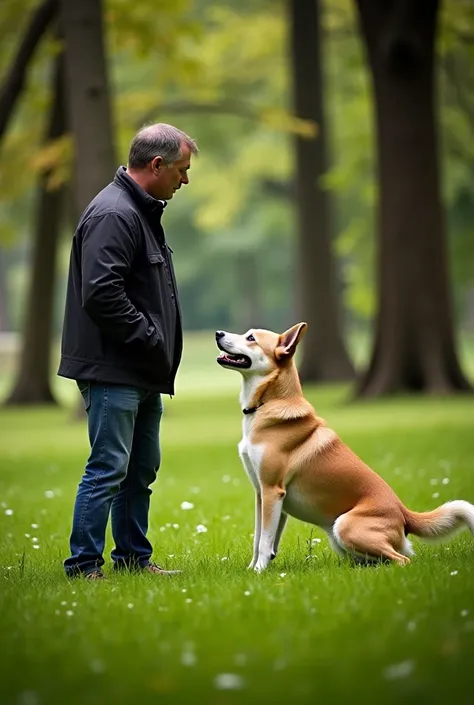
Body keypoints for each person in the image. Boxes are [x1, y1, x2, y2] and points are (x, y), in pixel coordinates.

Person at [58, 123, 198, 580]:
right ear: (156, 165)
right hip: (114, 368)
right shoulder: (115, 214)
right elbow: (101, 293)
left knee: (139, 471)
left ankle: (134, 560)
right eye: (181, 170)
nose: (185, 179)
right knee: (107, 469)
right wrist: (149, 338)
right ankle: (83, 567)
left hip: (140, 371)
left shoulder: (140, 212)